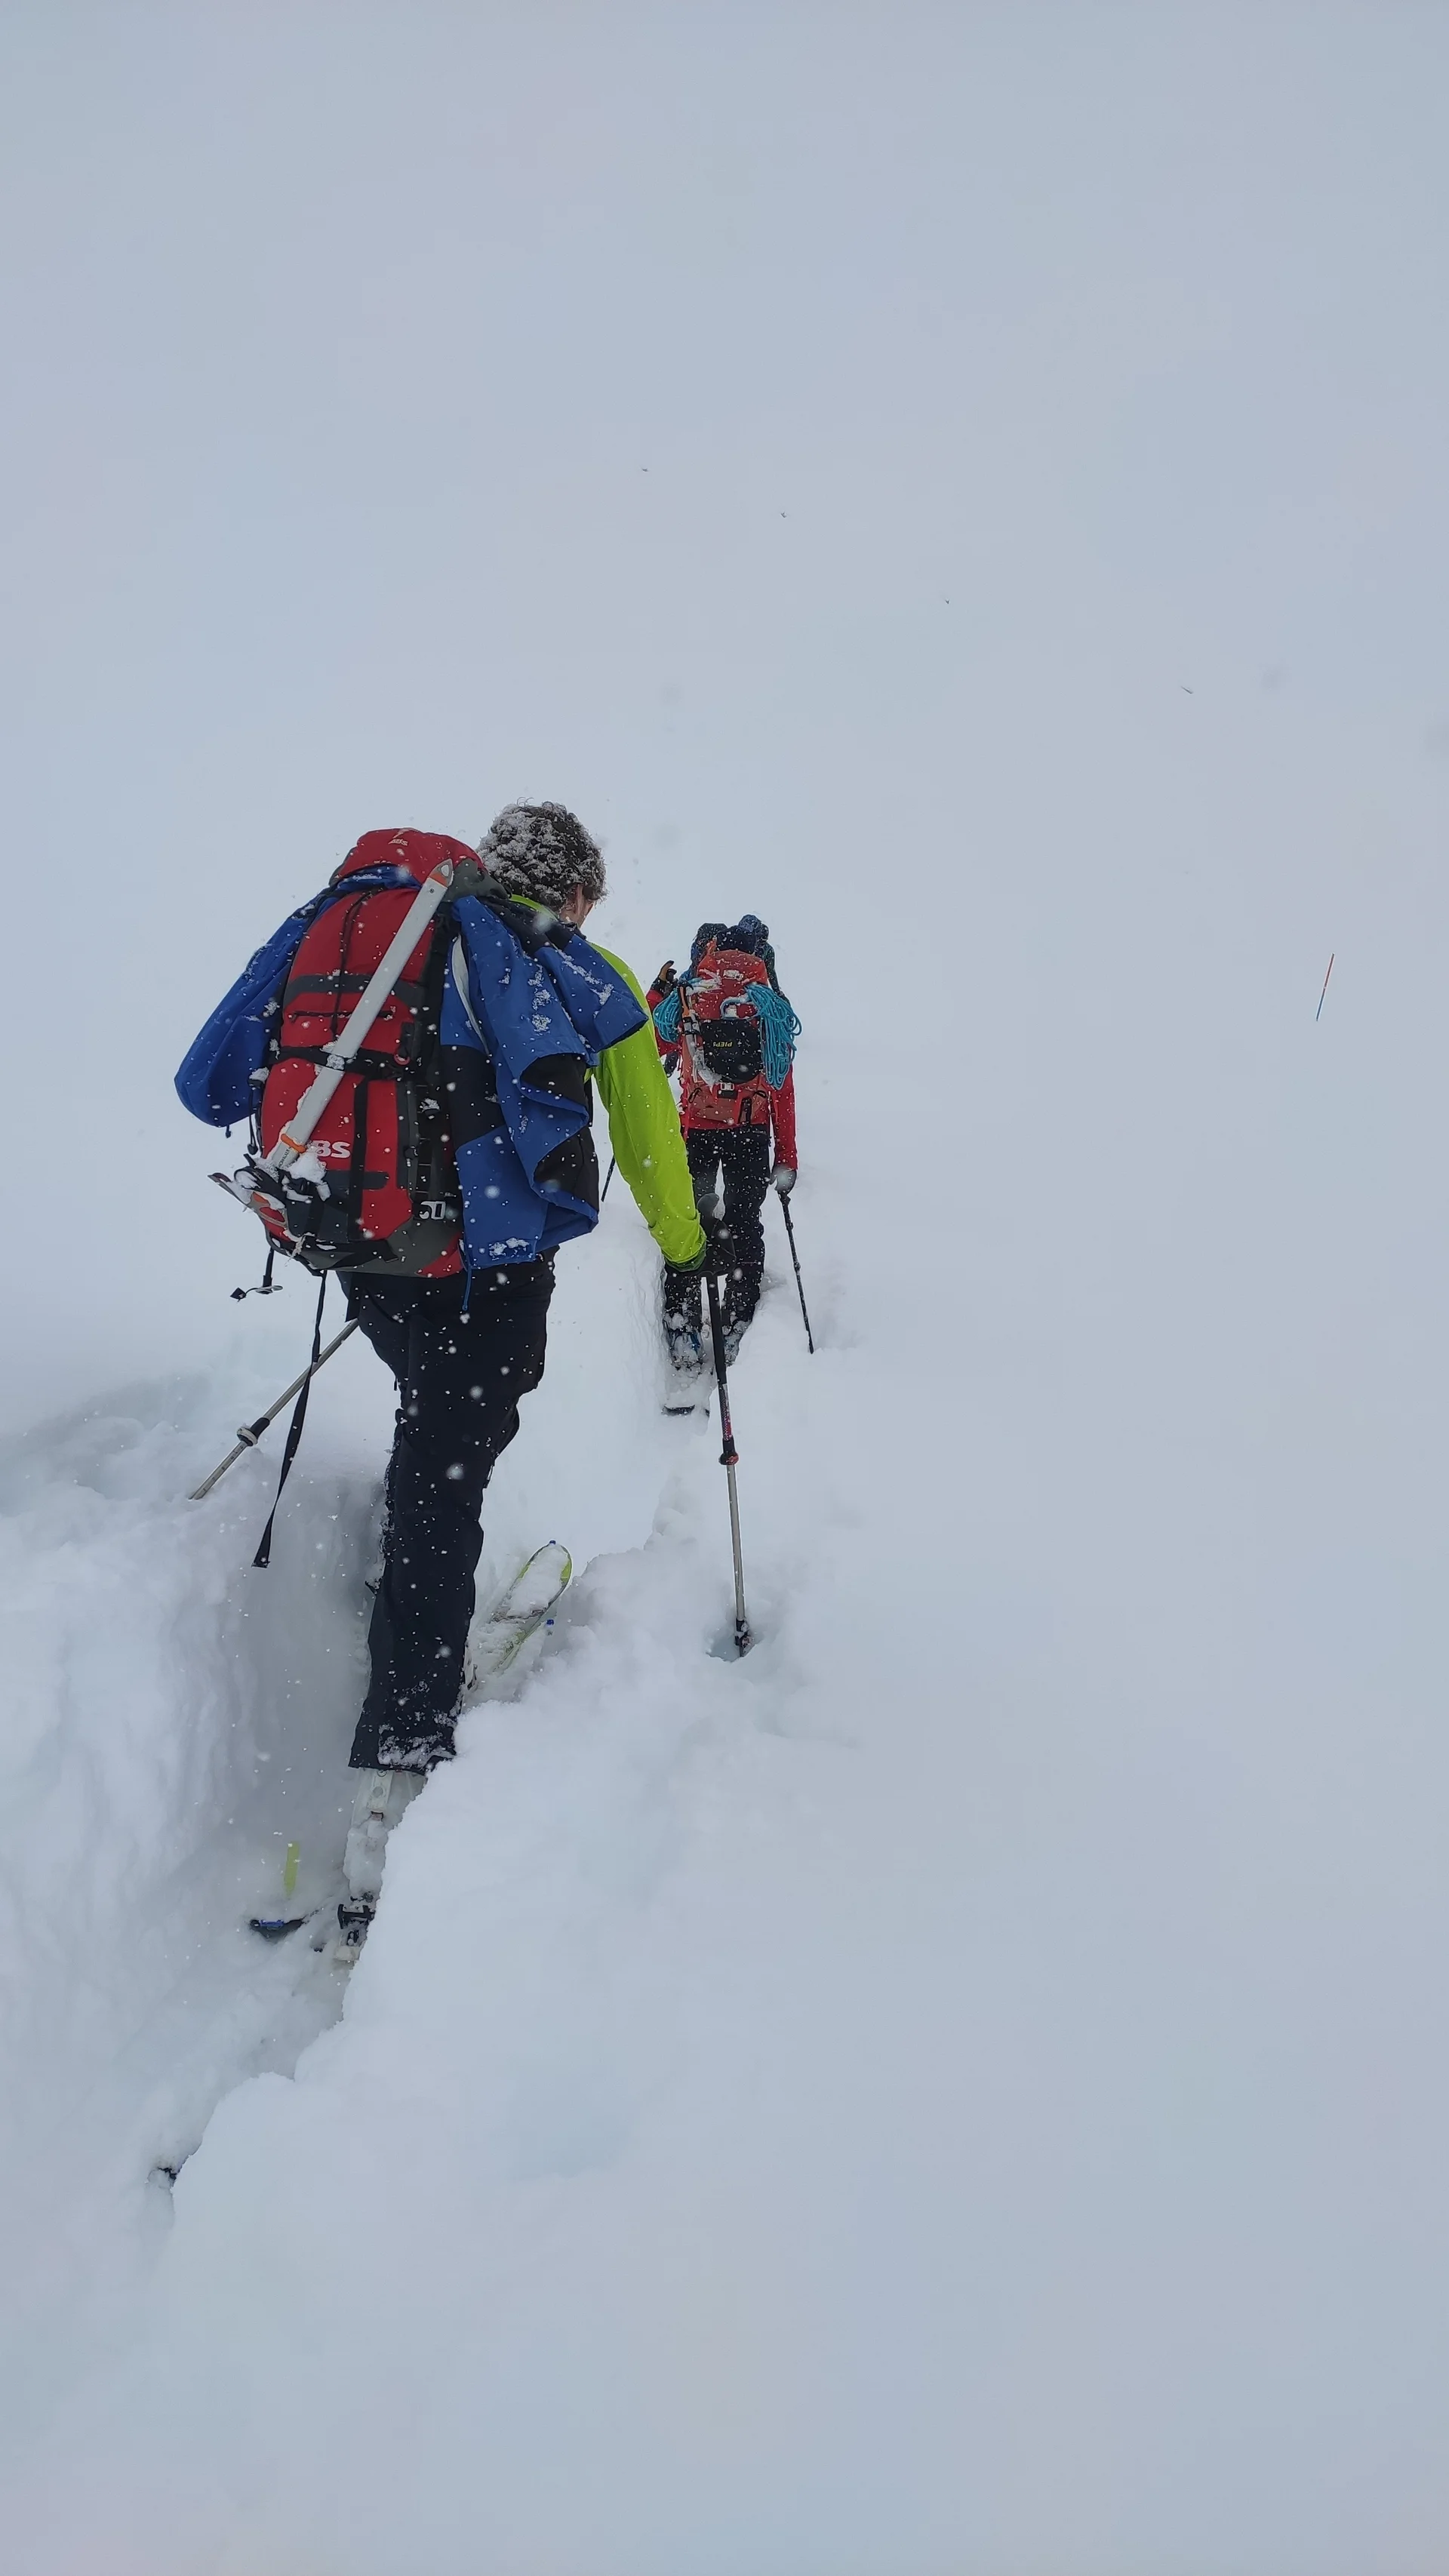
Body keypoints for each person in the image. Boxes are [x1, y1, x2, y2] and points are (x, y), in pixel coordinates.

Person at [177, 802, 728, 1944]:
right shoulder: (568, 962)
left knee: (434, 1434)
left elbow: (208, 1082)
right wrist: (686, 1248)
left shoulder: (361, 927)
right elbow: (643, 1132)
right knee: (446, 1468)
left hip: (365, 1245)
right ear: (571, 892)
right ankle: (399, 1763)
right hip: (483, 1268)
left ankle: (412, 1587)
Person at [651, 916, 799, 1371]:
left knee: (687, 1216)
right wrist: (787, 1154)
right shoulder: (768, 1006)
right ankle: (736, 1319)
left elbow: (653, 1043)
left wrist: (661, 991)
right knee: (744, 1220)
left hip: (696, 1127)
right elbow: (782, 1087)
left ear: (709, 947)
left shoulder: (688, 995)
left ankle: (683, 1322)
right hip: (751, 1130)